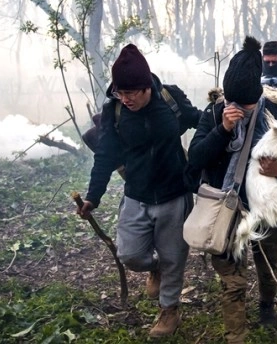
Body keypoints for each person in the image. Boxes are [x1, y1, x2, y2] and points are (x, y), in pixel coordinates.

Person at [77, 43, 202, 337]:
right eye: (120, 92)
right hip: (136, 195)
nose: (126, 98)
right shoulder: (115, 110)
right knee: (130, 254)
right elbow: (105, 154)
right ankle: (153, 268)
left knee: (175, 257)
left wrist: (222, 122)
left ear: (147, 87)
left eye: (131, 92)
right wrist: (93, 196)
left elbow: (199, 121)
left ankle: (169, 312)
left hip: (175, 194)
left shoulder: (170, 100)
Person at [186, 36, 277, 343]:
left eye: (244, 103)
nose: (236, 108)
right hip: (226, 206)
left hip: (265, 203)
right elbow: (196, 158)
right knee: (231, 277)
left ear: (258, 95)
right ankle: (236, 333)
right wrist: (222, 130)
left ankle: (267, 306)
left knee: (267, 265)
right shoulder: (213, 112)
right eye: (231, 101)